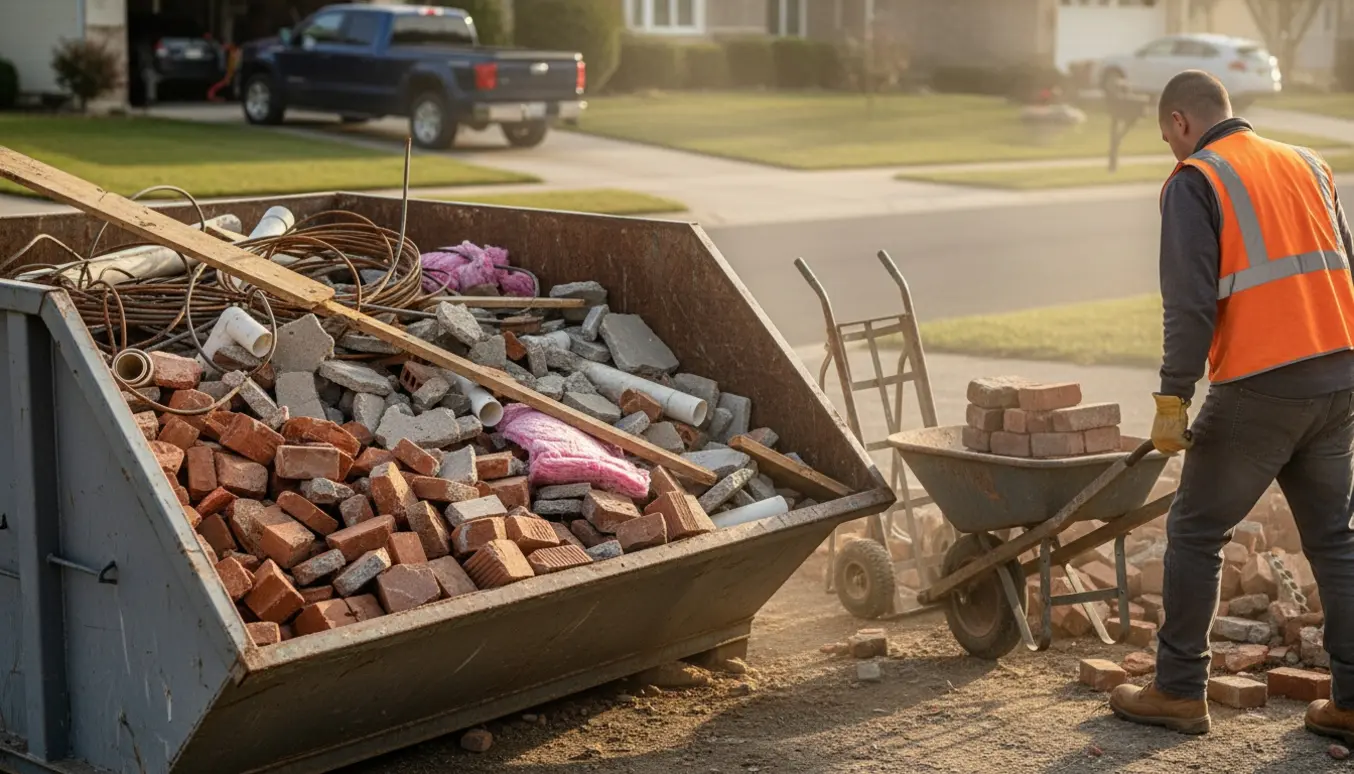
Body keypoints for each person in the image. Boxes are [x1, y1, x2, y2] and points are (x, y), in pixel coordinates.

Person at [1109, 69, 1354, 740]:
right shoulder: (1308, 163)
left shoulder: (1198, 180)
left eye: (1168, 139)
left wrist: (1173, 397)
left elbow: (1188, 305)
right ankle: (1353, 701)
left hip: (1261, 388)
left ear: (1182, 123)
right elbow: (1345, 267)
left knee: (1193, 532)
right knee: (1335, 541)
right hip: (1340, 379)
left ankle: (1180, 690)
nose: (1172, 153)